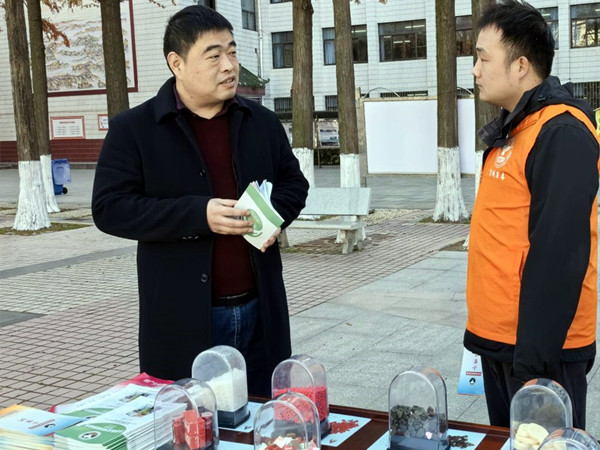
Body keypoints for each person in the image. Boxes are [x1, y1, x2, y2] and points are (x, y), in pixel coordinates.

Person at [92, 5, 308, 396]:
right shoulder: (135, 129)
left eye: (232, 52)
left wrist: (272, 215)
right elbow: (110, 208)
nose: (229, 65)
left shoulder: (260, 122)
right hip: (184, 317)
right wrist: (197, 215)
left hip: (261, 309)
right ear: (176, 62)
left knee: (264, 413)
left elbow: (294, 183)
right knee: (193, 419)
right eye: (214, 55)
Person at [465, 0, 600, 429]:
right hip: (502, 344)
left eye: (483, 58)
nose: (475, 70)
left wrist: (532, 368)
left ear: (521, 65)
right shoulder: (515, 129)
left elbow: (560, 254)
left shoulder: (560, 132)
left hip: (540, 354)